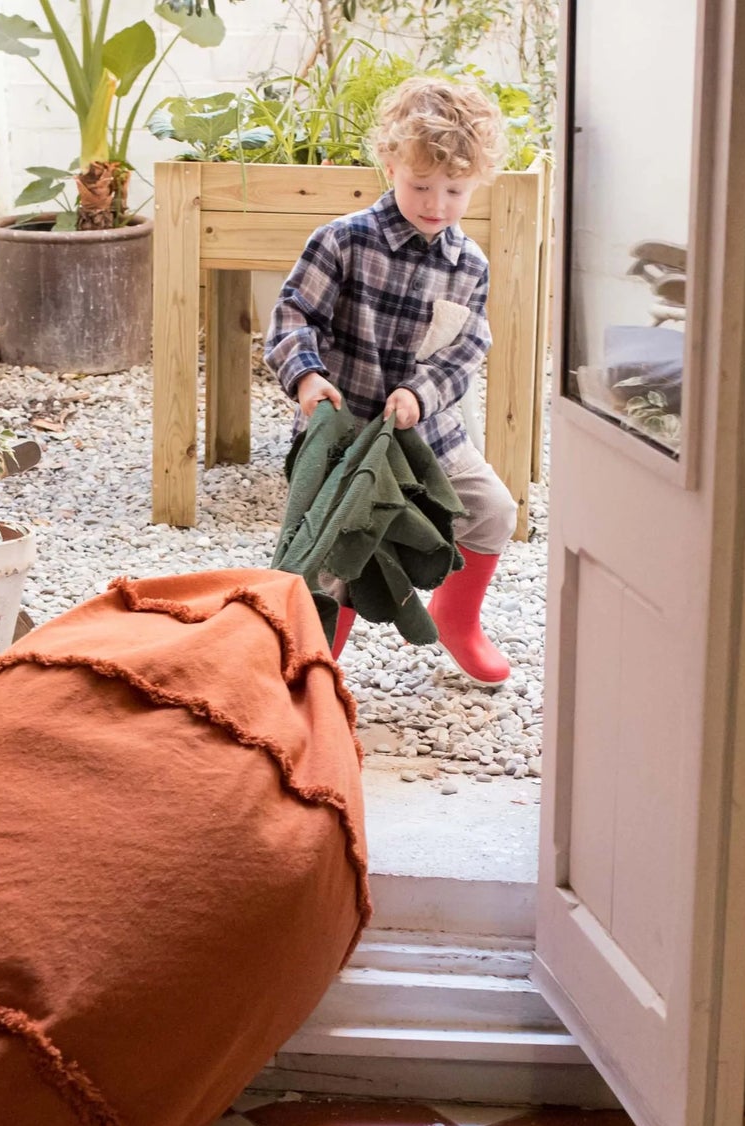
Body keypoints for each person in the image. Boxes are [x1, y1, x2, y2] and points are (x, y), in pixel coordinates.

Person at [265, 75, 517, 685]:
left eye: (455, 190)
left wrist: (421, 394)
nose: (436, 204)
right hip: (350, 437)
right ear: (389, 163)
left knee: (493, 511)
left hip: (430, 439)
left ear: (476, 183)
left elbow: (466, 349)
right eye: (421, 185)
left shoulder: (471, 265)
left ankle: (456, 620)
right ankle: (315, 666)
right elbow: (294, 315)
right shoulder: (344, 242)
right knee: (332, 555)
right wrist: (306, 379)